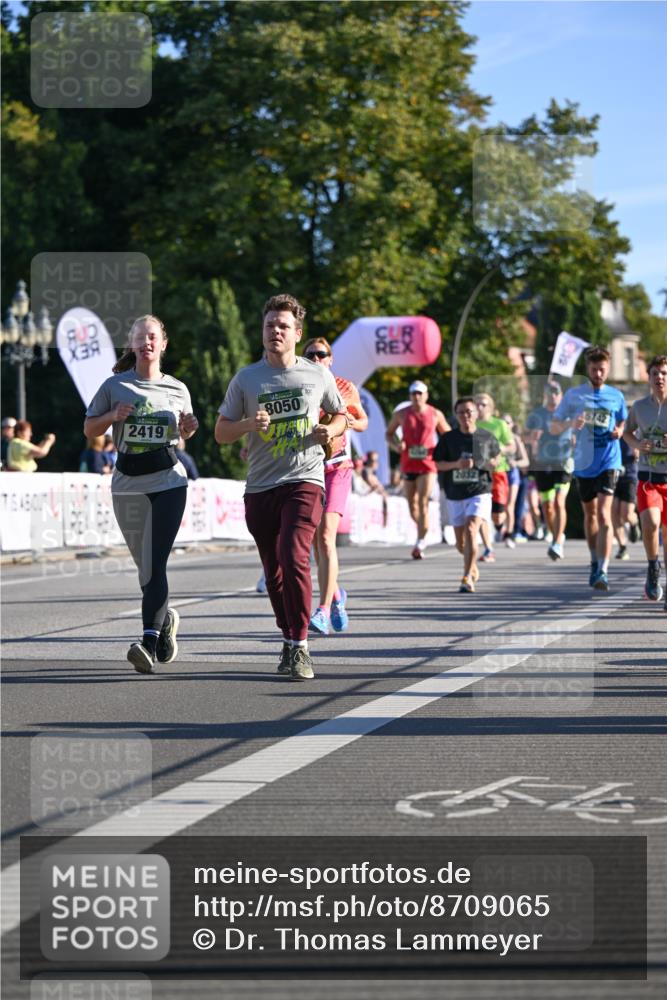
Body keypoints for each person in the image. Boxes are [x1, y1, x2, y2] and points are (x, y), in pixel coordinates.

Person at [215, 293, 347, 681]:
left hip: (304, 479)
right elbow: (222, 431)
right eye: (270, 324)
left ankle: (301, 645)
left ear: (297, 333)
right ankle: (288, 638)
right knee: (273, 570)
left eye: (283, 326)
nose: (275, 330)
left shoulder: (316, 374)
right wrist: (247, 426)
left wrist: (331, 430)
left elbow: (342, 415)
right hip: (260, 485)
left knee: (294, 555)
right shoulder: (246, 378)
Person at [84, 314, 198, 673]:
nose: (147, 343)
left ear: (163, 344)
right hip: (127, 485)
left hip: (168, 481)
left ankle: (148, 642)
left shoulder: (177, 389)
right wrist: (112, 415)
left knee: (154, 562)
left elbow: (185, 432)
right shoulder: (114, 386)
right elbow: (90, 429)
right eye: (140, 337)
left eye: (153, 337)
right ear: (131, 345)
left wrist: (189, 428)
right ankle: (164, 623)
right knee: (144, 567)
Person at [302, 337, 368, 636]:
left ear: (330, 359)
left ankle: (323, 609)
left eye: (322, 354)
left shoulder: (344, 387)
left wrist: (348, 424)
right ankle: (338, 594)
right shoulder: (299, 386)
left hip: (338, 468)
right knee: (317, 543)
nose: (316, 359)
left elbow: (363, 420)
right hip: (310, 467)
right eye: (310, 354)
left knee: (327, 537)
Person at [551, 345, 627, 591]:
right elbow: (554, 426)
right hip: (583, 463)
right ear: (587, 369)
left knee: (604, 514)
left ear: (608, 368)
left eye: (602, 369)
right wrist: (571, 423)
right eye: (594, 369)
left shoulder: (616, 395)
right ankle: (594, 560)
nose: (598, 374)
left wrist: (620, 431)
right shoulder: (574, 396)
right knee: (590, 514)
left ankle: (603, 570)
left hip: (609, 461)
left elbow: (624, 419)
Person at [434, 397, 500, 592]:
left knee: (472, 528)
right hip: (455, 493)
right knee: (461, 544)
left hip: (479, 491)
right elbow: (438, 463)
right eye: (461, 412)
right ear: (456, 415)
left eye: (469, 411)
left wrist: (480, 463)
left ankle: (466, 576)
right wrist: (456, 465)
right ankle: (472, 566)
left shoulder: (486, 437)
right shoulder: (448, 438)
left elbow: (496, 460)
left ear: (476, 413)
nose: (466, 416)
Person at [385, 380, 450, 559]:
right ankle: (424, 527)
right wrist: (396, 446)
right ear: (410, 396)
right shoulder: (401, 414)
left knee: (422, 502)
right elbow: (388, 434)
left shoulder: (435, 413)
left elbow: (448, 435)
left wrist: (441, 451)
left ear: (426, 395)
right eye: (414, 393)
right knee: (411, 505)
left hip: (428, 464)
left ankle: (420, 542)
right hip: (408, 463)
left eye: (420, 393)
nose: (417, 397)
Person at [623, 354, 667, 606]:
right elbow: (626, 433)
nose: (659, 377)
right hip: (648, 477)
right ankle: (653, 567)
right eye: (655, 373)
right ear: (648, 377)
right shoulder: (639, 407)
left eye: (664, 373)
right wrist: (639, 443)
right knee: (650, 522)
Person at [525, 381, 575, 560]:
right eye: (550, 392)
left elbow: (580, 430)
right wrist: (531, 437)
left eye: (556, 392)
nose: (553, 395)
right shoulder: (537, 414)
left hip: (563, 462)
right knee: (547, 506)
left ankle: (557, 543)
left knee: (559, 502)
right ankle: (556, 536)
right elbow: (523, 435)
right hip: (542, 463)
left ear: (561, 395)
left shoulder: (568, 413)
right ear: (545, 395)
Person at [474, 393, 516, 562]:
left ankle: (500, 526)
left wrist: (500, 452)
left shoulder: (499, 425)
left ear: (490, 407)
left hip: (498, 472)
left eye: (483, 404)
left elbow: (511, 446)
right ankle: (488, 547)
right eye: (476, 404)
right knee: (480, 511)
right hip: (478, 473)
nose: (479, 407)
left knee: (497, 515)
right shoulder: (472, 425)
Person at [502, 414, 530, 547]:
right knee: (499, 506)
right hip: (499, 474)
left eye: (508, 422)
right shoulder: (496, 439)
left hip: (512, 475)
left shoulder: (516, 439)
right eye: (503, 422)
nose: (506, 425)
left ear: (512, 425)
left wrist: (515, 463)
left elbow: (526, 461)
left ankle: (510, 534)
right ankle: (500, 527)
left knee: (510, 505)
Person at [612, 437, 639, 560]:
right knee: (614, 512)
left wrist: (638, 451)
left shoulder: (633, 428)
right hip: (612, 476)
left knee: (626, 514)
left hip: (630, 476)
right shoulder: (611, 427)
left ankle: (634, 523)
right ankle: (622, 547)